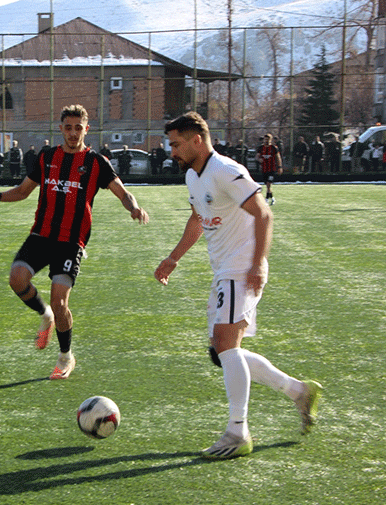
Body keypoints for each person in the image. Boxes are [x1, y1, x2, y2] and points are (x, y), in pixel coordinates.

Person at [156, 112, 322, 460]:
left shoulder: (224, 169)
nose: (172, 151)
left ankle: (238, 431)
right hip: (223, 272)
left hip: (241, 268)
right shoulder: (193, 175)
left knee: (226, 345)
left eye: (176, 144)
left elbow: (263, 213)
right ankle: (298, 391)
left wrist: (258, 262)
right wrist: (173, 258)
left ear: (196, 140)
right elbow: (197, 219)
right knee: (222, 352)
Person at [0, 104, 149, 380]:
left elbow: (123, 192)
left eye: (78, 128)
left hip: (71, 241)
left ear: (86, 129)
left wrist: (134, 207)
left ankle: (66, 356)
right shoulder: (47, 157)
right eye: (68, 128)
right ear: (61, 129)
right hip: (41, 234)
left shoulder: (96, 163)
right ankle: (44, 314)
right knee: (16, 279)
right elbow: (23, 192)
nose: (72, 133)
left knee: (61, 303)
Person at [255, 133, 282, 205]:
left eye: (268, 139)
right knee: (267, 186)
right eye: (265, 139)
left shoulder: (274, 148)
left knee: (268, 184)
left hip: (272, 169)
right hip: (264, 169)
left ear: (271, 140)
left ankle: (266, 200)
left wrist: (280, 167)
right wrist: (259, 159)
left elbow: (278, 157)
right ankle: (272, 198)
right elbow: (257, 156)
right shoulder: (261, 148)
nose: (266, 141)